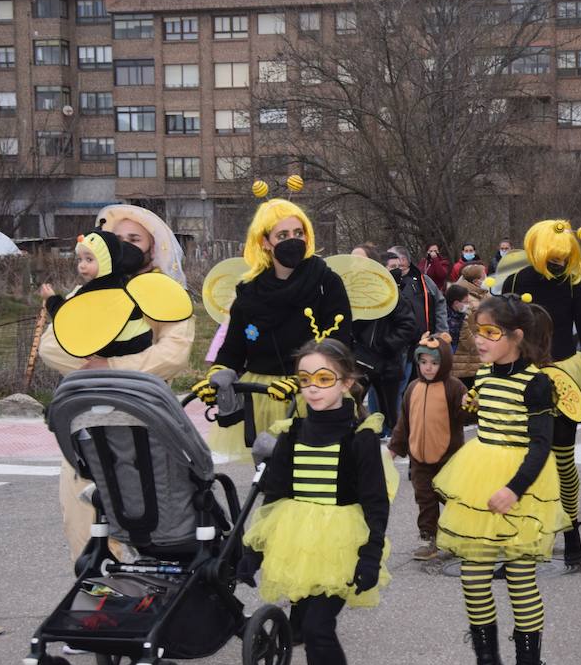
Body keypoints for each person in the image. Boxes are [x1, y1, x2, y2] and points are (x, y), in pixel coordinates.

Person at [239, 338, 391, 665]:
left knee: (321, 629)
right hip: (298, 539)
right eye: (305, 379)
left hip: (341, 543)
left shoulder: (359, 436)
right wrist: (254, 550)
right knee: (308, 633)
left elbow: (376, 503)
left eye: (323, 378)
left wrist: (370, 555)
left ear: (346, 381)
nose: (312, 387)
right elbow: (276, 494)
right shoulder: (294, 431)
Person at [39, 204, 195, 567]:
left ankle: (151, 598)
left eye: (134, 239)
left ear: (152, 247)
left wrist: (111, 365)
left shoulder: (163, 294)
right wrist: (94, 368)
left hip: (145, 422)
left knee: (149, 518)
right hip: (86, 424)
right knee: (80, 518)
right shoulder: (87, 293)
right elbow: (52, 345)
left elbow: (173, 354)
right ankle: (95, 602)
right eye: (118, 238)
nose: (123, 244)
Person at [432, 293, 567, 665]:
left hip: (520, 484)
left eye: (490, 333)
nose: (481, 340)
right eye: (477, 332)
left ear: (515, 336)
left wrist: (514, 488)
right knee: (473, 579)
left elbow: (541, 446)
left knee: (520, 579)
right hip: (480, 479)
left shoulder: (538, 383)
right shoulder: (485, 378)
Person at [198, 196, 352, 454]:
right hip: (262, 398)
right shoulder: (249, 292)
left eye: (298, 232)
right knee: (269, 477)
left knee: (316, 475)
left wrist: (307, 377)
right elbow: (233, 348)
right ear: (265, 242)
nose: (293, 240)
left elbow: (340, 342)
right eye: (282, 235)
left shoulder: (326, 282)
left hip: (314, 392)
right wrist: (219, 373)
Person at [497, 219, 581, 570]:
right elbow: (500, 332)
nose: (559, 263)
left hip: (562, 377)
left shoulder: (573, 284)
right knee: (518, 458)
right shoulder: (515, 282)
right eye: (554, 256)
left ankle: (571, 534)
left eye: (565, 256)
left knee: (562, 459)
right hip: (521, 377)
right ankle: (517, 538)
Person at [387, 333, 468, 560]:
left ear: (445, 363)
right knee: (425, 499)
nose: (428, 368)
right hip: (419, 458)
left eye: (434, 363)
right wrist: (394, 449)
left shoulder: (454, 387)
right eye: (423, 362)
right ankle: (428, 538)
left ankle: (459, 535)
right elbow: (404, 422)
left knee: (451, 498)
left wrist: (469, 406)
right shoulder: (413, 388)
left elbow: (465, 417)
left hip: (448, 457)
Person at [39, 229, 151, 358]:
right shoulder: (127, 283)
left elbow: (67, 318)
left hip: (113, 349)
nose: (82, 265)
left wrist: (51, 299)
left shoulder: (92, 292)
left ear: (106, 261)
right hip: (142, 343)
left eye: (89, 259)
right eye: (80, 259)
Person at [350, 289, 417, 426]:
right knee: (352, 405)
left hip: (387, 361)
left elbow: (408, 325)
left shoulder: (394, 297)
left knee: (390, 412)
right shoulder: (355, 294)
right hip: (360, 359)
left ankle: (394, 440)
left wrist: (386, 345)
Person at [451, 264, 489, 389]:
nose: (487, 278)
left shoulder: (483, 295)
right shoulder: (467, 299)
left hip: (478, 357)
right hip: (466, 358)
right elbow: (463, 328)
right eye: (484, 276)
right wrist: (476, 346)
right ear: (476, 281)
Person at [445, 284, 470, 351]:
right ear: (456, 303)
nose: (468, 305)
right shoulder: (449, 320)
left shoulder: (459, 314)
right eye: (465, 302)